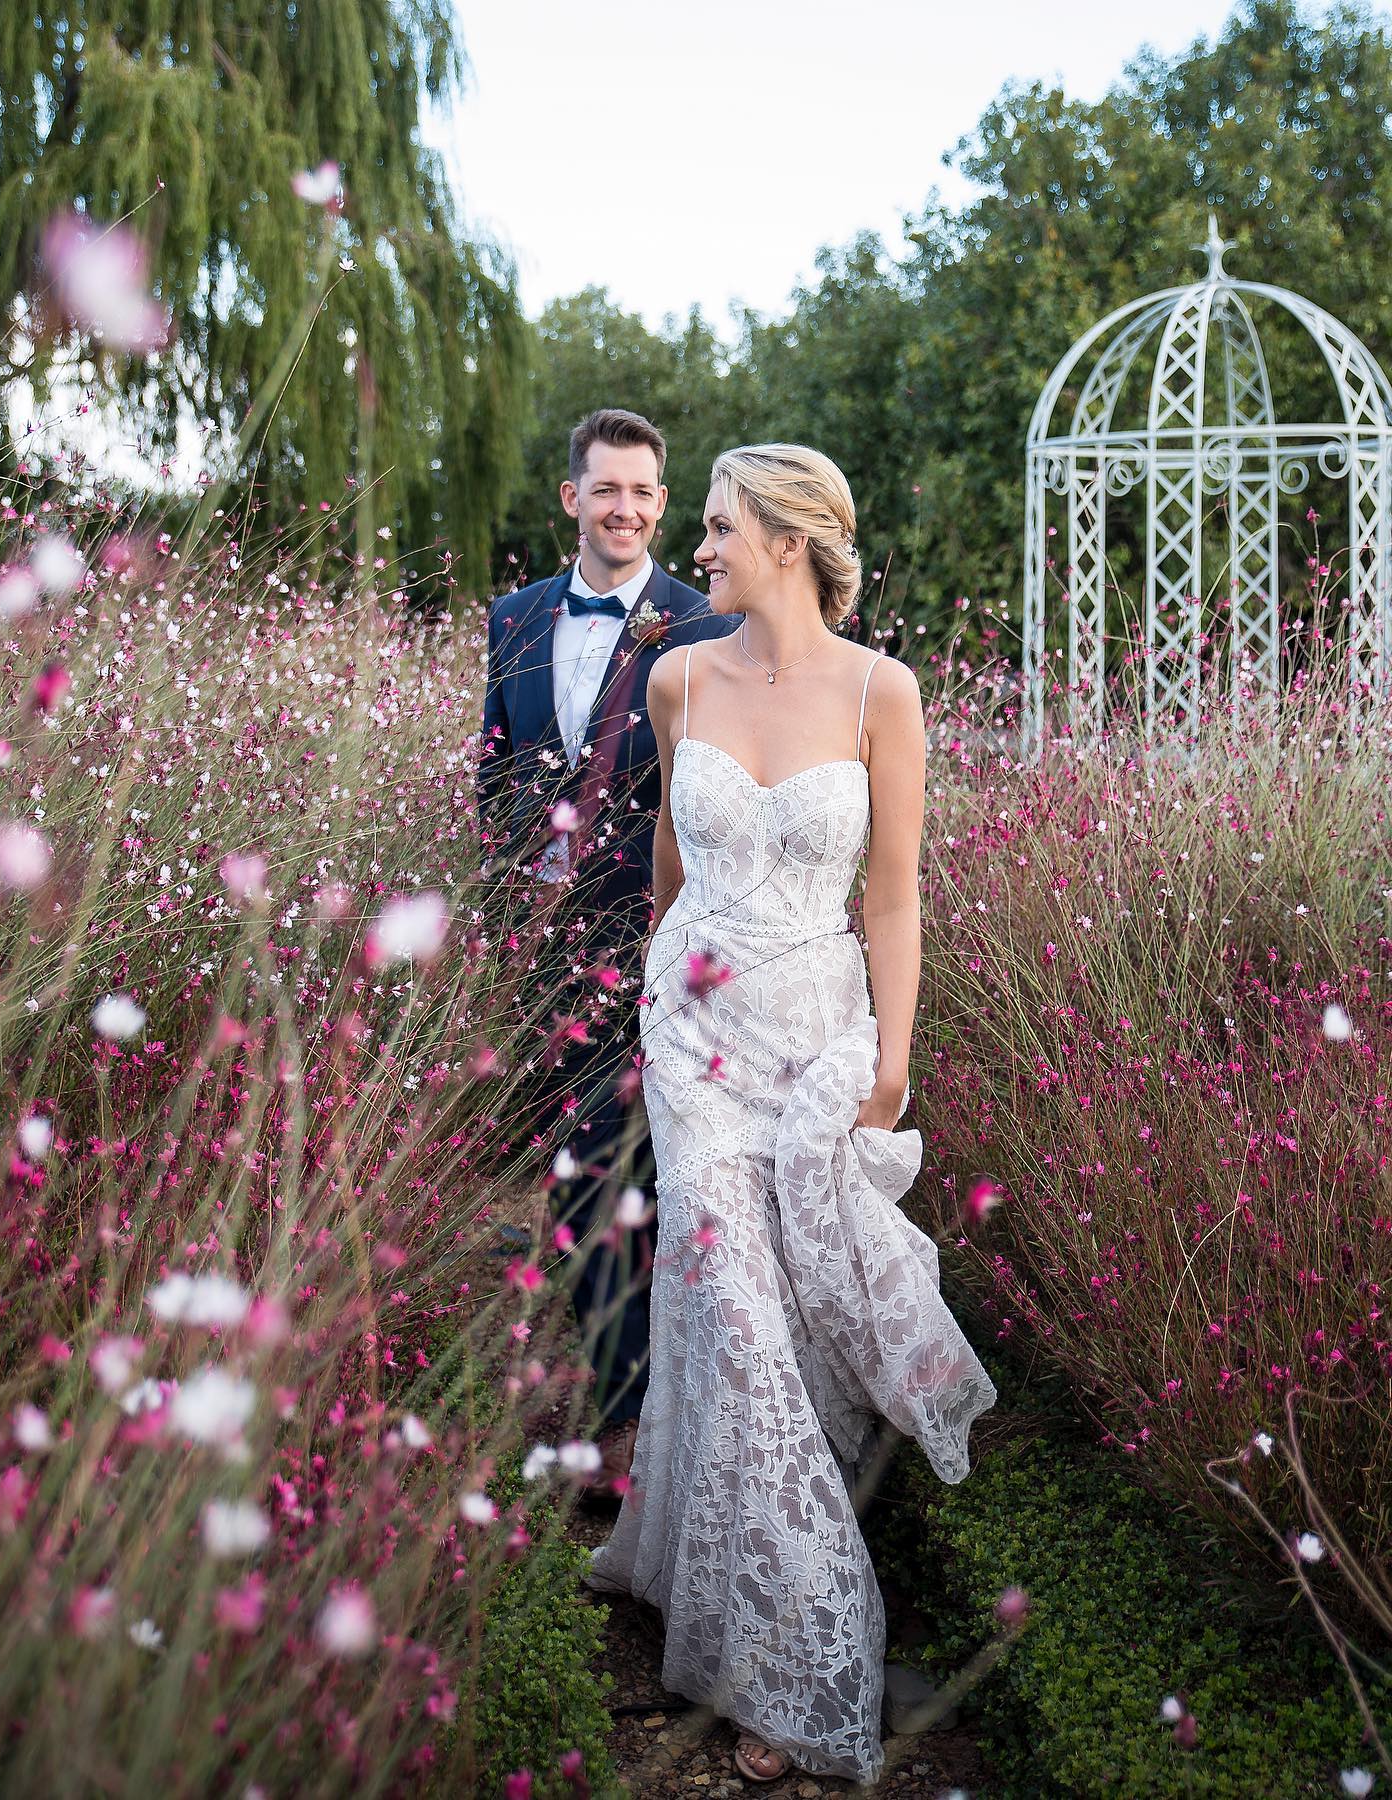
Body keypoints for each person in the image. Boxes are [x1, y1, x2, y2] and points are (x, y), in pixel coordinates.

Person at [583, 444, 997, 1784]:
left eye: (714, 527)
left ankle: (683, 1556)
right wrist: (655, 1006)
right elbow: (668, 866)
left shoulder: (886, 692)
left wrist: (893, 1059)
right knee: (739, 1316)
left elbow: (893, 893)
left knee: (792, 1326)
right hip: (695, 1044)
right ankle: (793, 1657)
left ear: (787, 537)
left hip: (820, 1042)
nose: (696, 548)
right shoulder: (678, 678)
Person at [478, 407, 738, 1492]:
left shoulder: (709, 624)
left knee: (670, 1167)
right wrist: (505, 912)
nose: (625, 509)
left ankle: (668, 1403)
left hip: (667, 939)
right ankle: (624, 1404)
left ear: (663, 507)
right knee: (579, 1166)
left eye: (643, 493)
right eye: (606, 489)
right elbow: (495, 764)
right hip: (548, 947)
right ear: (571, 499)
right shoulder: (514, 618)